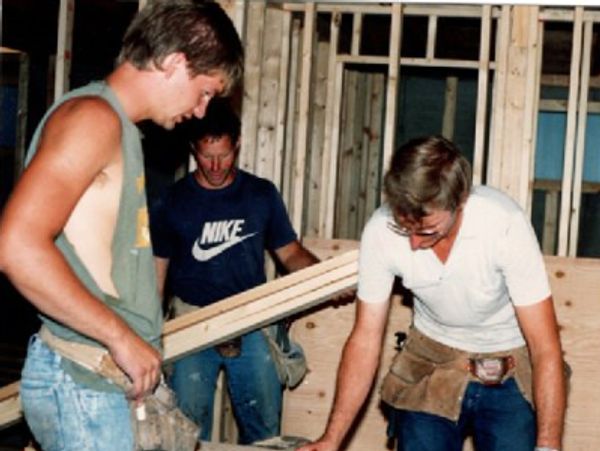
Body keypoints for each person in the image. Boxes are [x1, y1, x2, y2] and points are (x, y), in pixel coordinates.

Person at [0, 2, 243, 449]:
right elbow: (16, 245)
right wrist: (120, 338)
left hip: (95, 382)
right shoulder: (93, 120)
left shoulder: (114, 125)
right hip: (86, 383)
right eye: (205, 91)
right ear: (174, 63)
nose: (201, 109)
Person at [299, 135, 566, 451]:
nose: (413, 243)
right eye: (405, 228)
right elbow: (365, 338)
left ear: (460, 199)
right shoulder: (381, 231)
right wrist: (332, 438)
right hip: (431, 365)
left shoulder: (503, 224)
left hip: (509, 369)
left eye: (427, 231)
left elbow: (545, 348)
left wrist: (548, 446)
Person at [150, 98, 319, 445]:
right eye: (205, 155)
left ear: (238, 143)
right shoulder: (173, 200)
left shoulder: (260, 195)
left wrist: (324, 278)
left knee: (263, 431)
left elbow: (290, 253)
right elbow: (156, 274)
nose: (215, 165)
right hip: (191, 324)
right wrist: (148, 333)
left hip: (251, 322)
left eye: (224, 155)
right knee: (186, 432)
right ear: (193, 149)